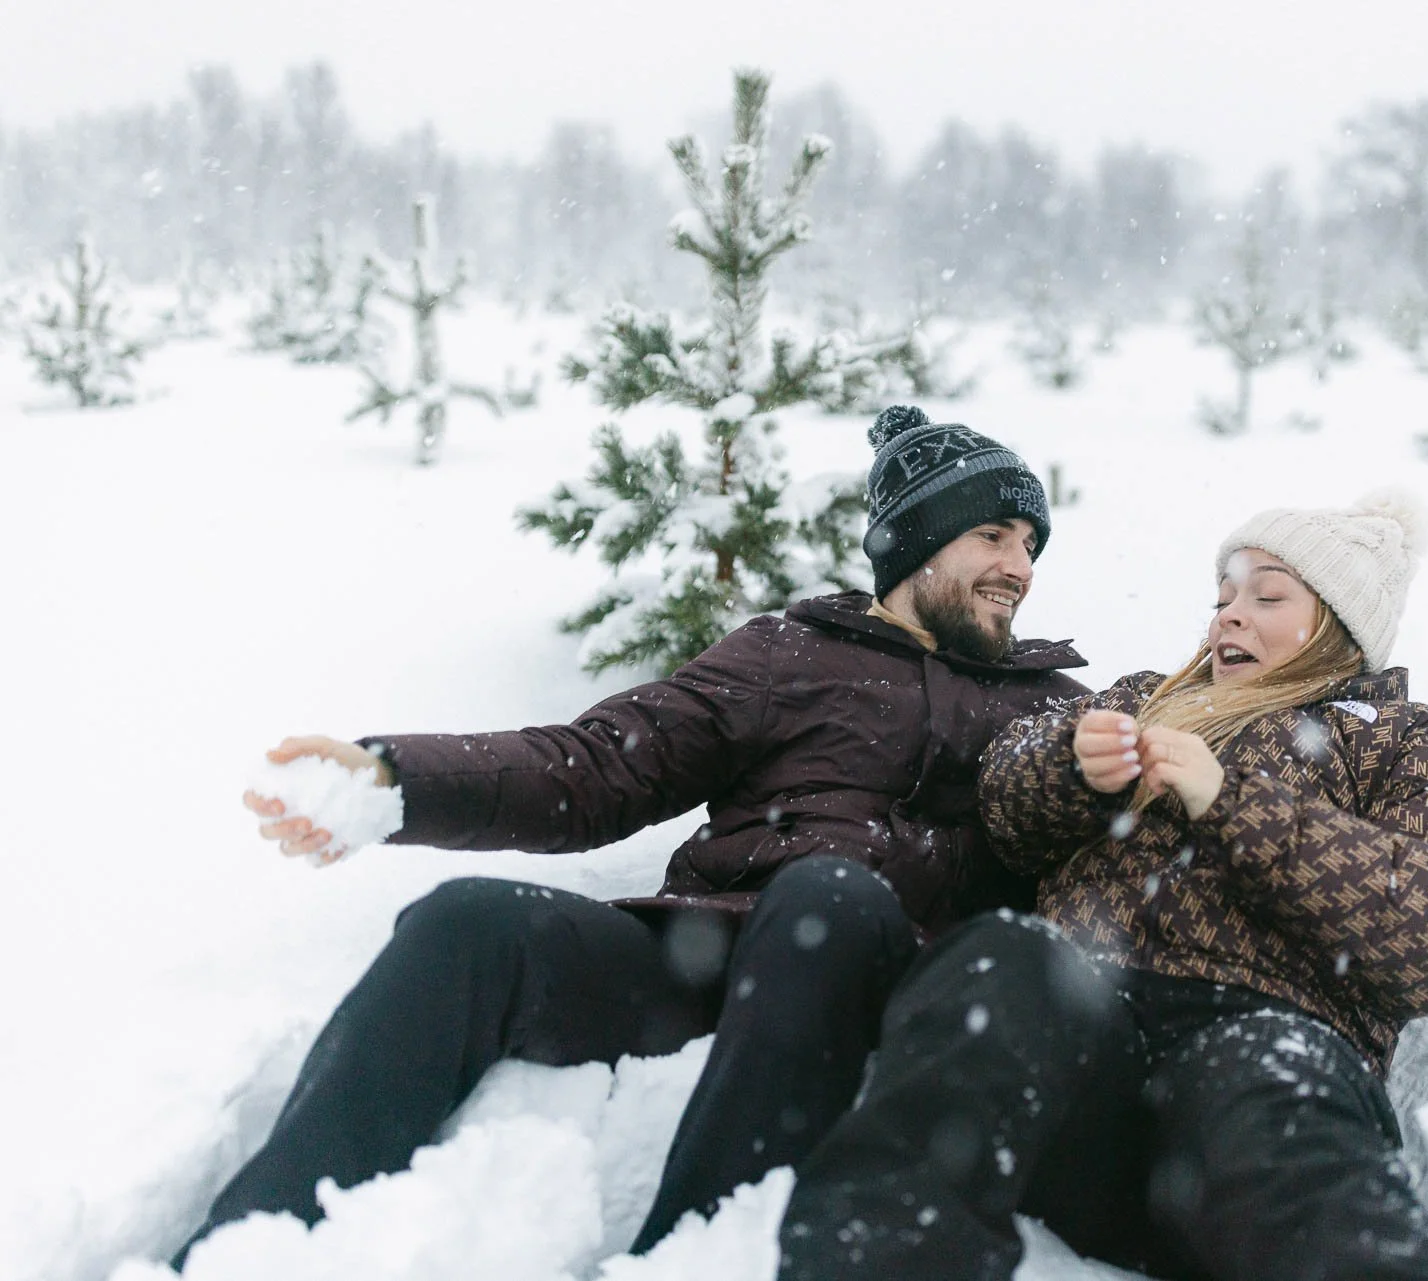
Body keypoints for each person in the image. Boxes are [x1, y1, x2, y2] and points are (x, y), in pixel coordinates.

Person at [169, 405, 1088, 1270]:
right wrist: (397, 778)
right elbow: (601, 763)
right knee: (470, 923)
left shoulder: (1055, 711)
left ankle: (678, 1256)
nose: (1022, 565)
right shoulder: (788, 652)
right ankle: (247, 1244)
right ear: (918, 544)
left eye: (1032, 543)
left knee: (828, 895)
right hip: (712, 949)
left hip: (890, 979)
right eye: (995, 536)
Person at [777, 491, 1428, 1281]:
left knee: (1273, 1087)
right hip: (1082, 1039)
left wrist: (1236, 802)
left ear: (1343, 625)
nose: (1229, 617)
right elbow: (1003, 805)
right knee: (1002, 962)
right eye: (1223, 598)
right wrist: (1071, 766)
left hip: (1255, 1057)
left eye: (1267, 595)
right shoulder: (1147, 698)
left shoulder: (1405, 740)